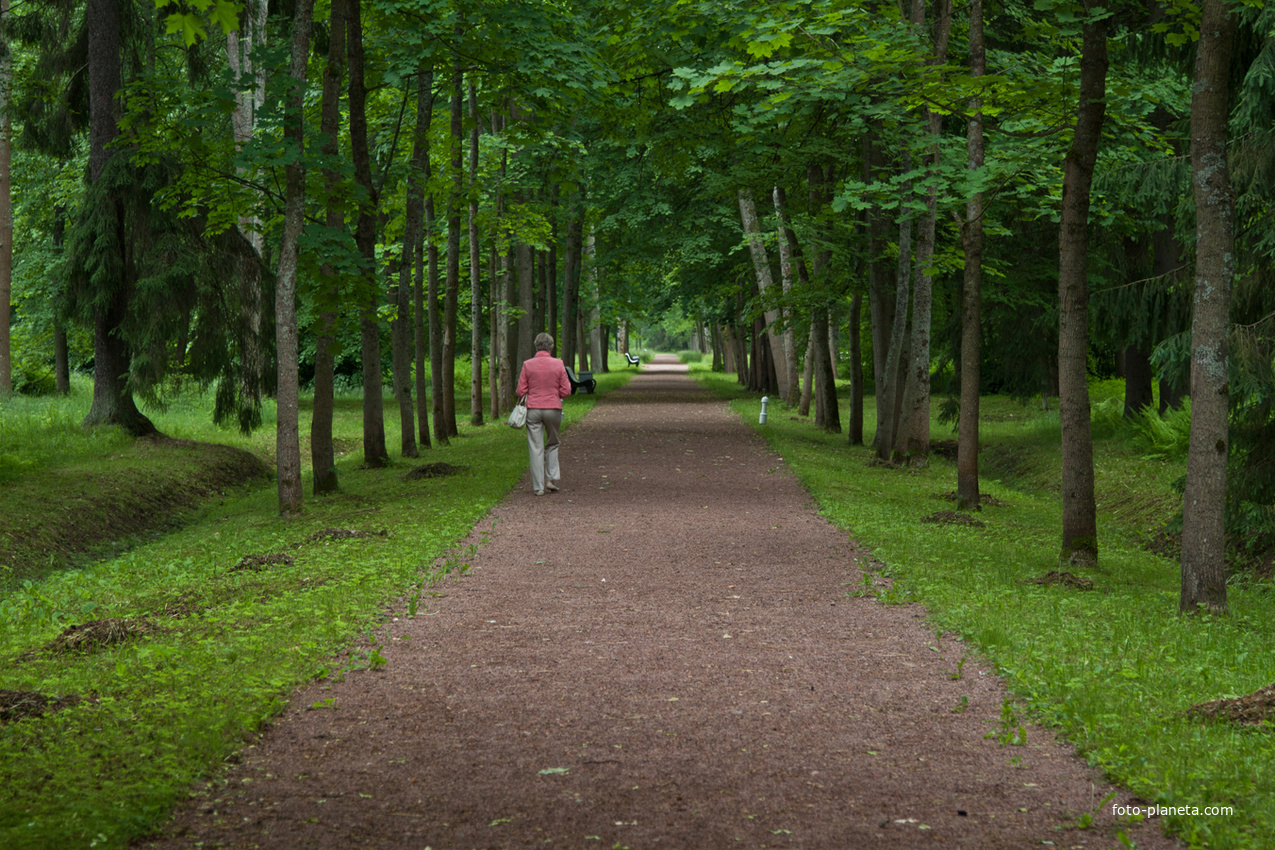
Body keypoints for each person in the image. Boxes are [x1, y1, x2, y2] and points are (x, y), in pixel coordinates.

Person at [515, 333, 572, 496]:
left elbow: (520, 391)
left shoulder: (527, 365)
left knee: (535, 447)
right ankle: (551, 479)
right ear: (551, 347)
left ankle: (538, 486)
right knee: (552, 443)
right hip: (553, 408)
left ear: (536, 346)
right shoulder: (558, 364)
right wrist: (555, 394)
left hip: (533, 409)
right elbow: (566, 390)